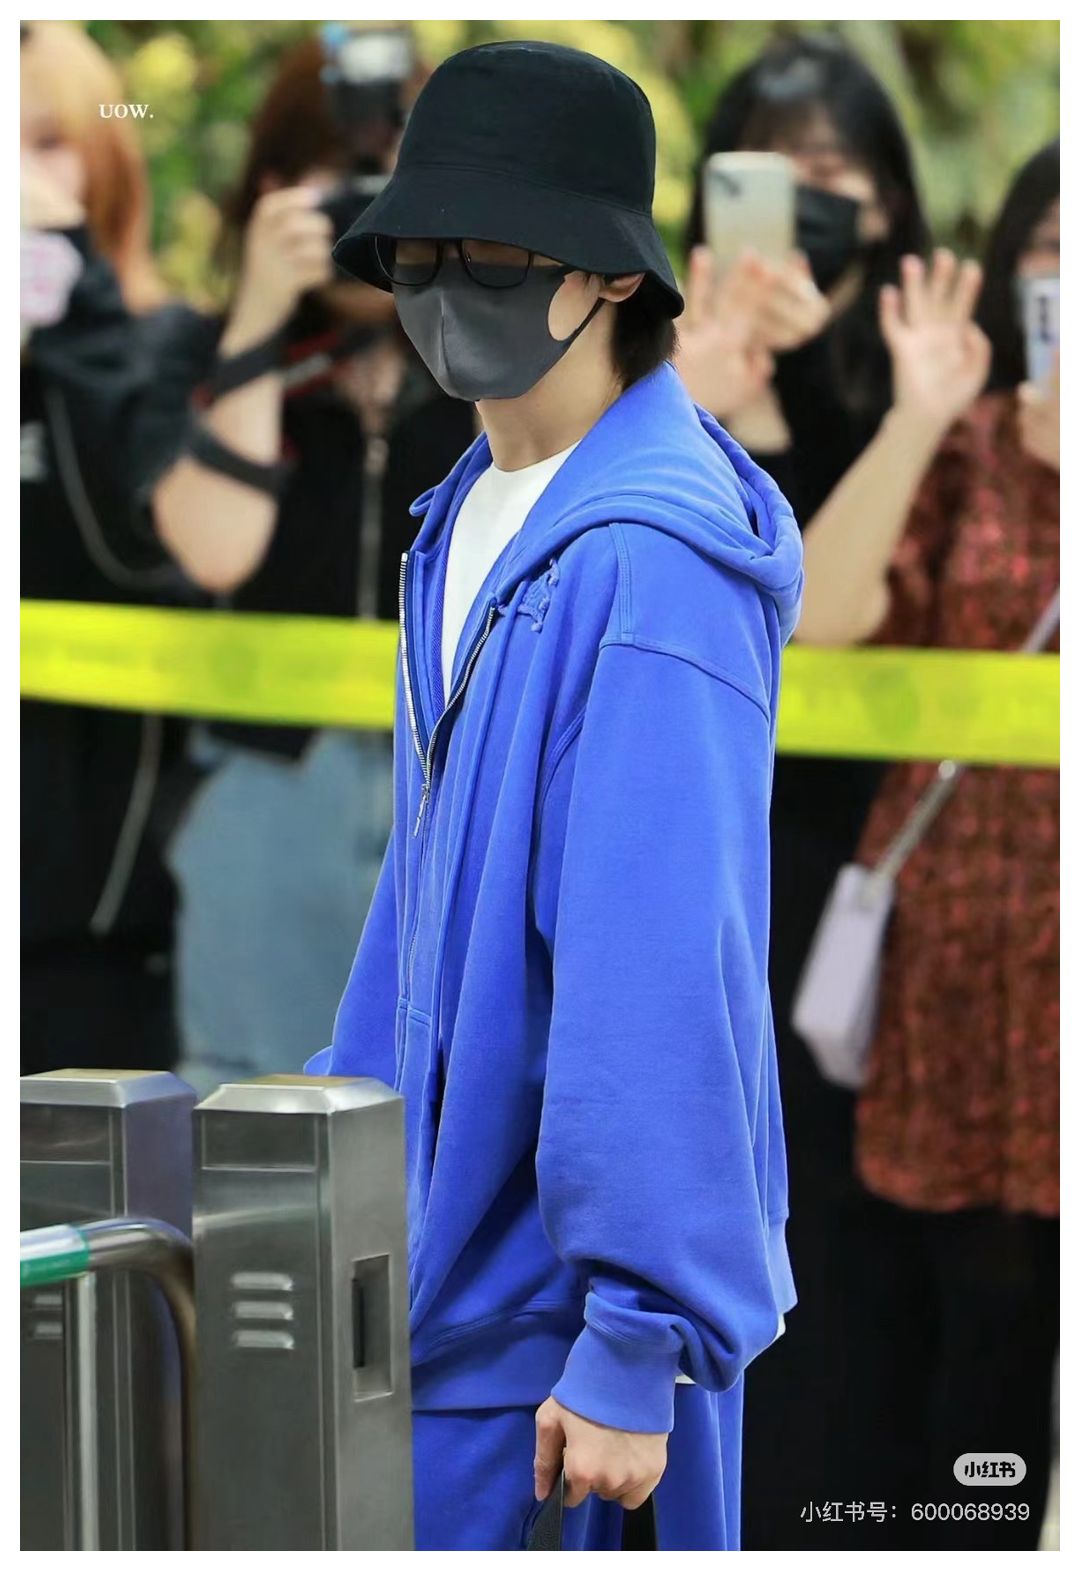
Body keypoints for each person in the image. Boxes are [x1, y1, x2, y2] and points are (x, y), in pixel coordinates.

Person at [305, 39, 802, 1552]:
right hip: (436, 1306)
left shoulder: (647, 563)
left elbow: (662, 966)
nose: (450, 287)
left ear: (614, 275)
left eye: (501, 257)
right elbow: (425, 910)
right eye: (419, 253)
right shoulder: (465, 515)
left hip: (560, 1368)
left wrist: (636, 1333)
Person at [674, 36, 957, 1545]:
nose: (808, 205)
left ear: (894, 202)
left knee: (847, 1233)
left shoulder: (931, 376)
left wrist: (833, 391)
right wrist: (720, 385)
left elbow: (838, 602)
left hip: (877, 875)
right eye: (774, 173)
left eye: (837, 175)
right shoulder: (656, 369)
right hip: (699, 861)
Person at [798, 140, 1059, 1550]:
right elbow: (824, 614)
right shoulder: (965, 441)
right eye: (1052, 247)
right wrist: (916, 419)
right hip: (958, 958)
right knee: (969, 1331)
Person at [140, 35, 476, 1097]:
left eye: (396, 183)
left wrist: (464, 297)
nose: (368, 218)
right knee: (257, 1119)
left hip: (459, 789)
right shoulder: (199, 352)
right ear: (272, 193)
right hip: (265, 796)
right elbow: (215, 545)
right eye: (338, 185)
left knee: (449, 1114)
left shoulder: (490, 365)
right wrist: (257, 322)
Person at [20, 21, 187, 1077]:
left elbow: (135, 548)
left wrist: (72, 300)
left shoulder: (160, 345)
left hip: (96, 927)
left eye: (49, 143)